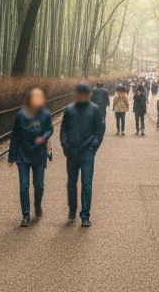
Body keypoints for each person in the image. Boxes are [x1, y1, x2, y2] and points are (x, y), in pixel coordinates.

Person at [59, 82, 105, 227]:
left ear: (88, 95)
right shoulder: (69, 110)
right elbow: (64, 129)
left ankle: (85, 215)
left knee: (86, 183)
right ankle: (72, 208)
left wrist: (94, 145)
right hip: (72, 151)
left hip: (87, 152)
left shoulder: (94, 109)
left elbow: (100, 128)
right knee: (71, 182)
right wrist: (64, 144)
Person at [7, 88, 53, 227]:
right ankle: (25, 214)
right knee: (24, 186)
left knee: (39, 185)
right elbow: (15, 135)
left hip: (39, 154)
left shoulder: (45, 114)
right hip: (23, 154)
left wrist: (43, 137)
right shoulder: (21, 115)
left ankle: (37, 204)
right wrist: (12, 156)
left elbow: (50, 128)